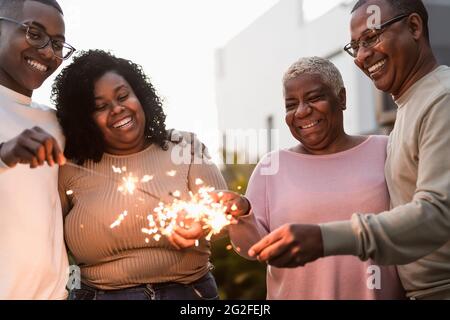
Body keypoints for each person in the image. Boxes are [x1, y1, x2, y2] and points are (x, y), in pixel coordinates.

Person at [234, 0, 450, 300]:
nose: (362, 55)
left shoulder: (441, 100)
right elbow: (254, 246)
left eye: (372, 37)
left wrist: (323, 238)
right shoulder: (411, 108)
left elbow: (438, 213)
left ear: (414, 27)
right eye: (355, 46)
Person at [222, 56, 405, 299]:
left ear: (341, 98)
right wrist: (242, 214)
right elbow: (252, 249)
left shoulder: (386, 150)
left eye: (314, 98)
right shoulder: (271, 167)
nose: (302, 111)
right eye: (290, 104)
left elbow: (417, 222)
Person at [53, 50, 227, 300]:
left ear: (140, 96)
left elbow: (223, 214)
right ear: (84, 120)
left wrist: (203, 223)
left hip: (188, 294)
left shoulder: (185, 147)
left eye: (123, 96)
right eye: (100, 107)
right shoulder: (69, 167)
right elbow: (48, 243)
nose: (117, 109)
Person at [0, 0, 75, 299]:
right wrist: (5, 152)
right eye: (34, 33)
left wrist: (173, 141)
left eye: (58, 44)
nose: (48, 51)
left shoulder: (56, 121)